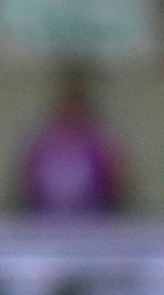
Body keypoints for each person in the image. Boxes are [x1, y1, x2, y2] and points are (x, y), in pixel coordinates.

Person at [17, 70, 127, 216]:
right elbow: (25, 178)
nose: (72, 113)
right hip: (44, 219)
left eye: (76, 107)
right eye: (68, 107)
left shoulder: (100, 142)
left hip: (94, 218)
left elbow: (117, 180)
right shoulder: (42, 140)